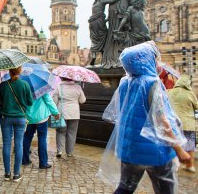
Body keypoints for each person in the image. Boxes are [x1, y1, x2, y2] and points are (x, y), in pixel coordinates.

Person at [99, 42, 190, 194]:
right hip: (155, 150)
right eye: (155, 58)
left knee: (125, 188)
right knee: (166, 189)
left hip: (130, 149)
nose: (158, 62)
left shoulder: (125, 82)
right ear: (146, 60)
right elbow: (162, 120)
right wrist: (179, 149)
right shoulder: (152, 83)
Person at [0, 66, 33, 182]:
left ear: (9, 71)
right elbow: (30, 102)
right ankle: (16, 174)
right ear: (20, 71)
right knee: (19, 145)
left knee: (6, 144)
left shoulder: (3, 85)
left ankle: (7, 173)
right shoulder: (25, 84)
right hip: (20, 118)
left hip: (6, 117)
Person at [168, 75, 198, 173]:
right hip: (189, 123)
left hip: (175, 123)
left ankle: (175, 165)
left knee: (176, 144)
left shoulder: (170, 92)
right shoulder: (190, 94)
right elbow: (196, 108)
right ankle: (190, 165)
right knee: (190, 145)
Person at [22, 93, 60, 169]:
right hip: (42, 117)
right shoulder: (42, 88)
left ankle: (24, 160)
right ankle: (43, 163)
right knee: (42, 139)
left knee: (27, 137)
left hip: (30, 117)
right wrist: (56, 112)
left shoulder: (25, 87)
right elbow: (49, 101)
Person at [52, 77, 86, 158]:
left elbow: (54, 101)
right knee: (72, 133)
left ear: (62, 77)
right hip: (74, 113)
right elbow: (82, 100)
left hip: (61, 112)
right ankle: (69, 152)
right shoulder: (78, 87)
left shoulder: (59, 86)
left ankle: (60, 151)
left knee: (60, 132)